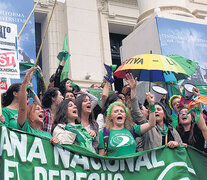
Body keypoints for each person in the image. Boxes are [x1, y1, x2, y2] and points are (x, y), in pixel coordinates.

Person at [17, 67, 58, 144]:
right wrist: (24, 84)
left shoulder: (48, 135)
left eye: (41, 109)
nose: (42, 111)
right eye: (37, 109)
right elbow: (22, 109)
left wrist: (56, 142)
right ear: (29, 116)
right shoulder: (26, 128)